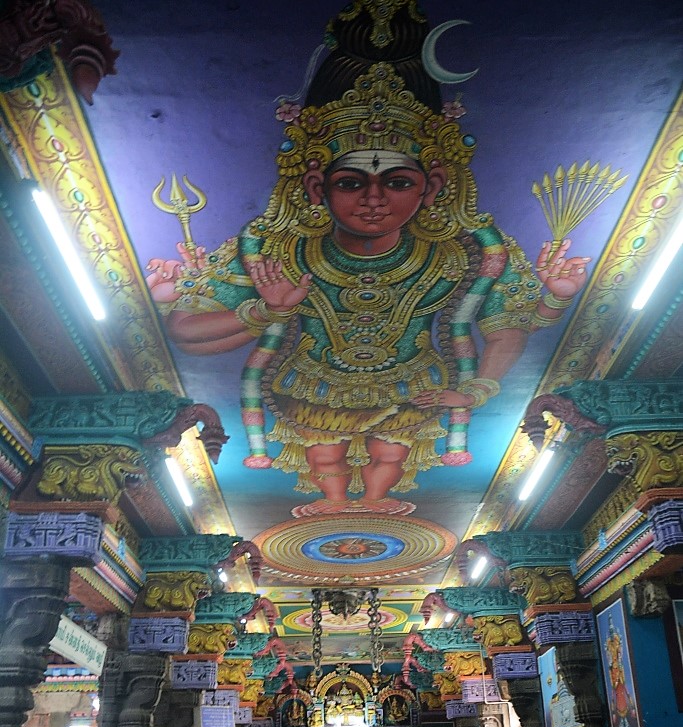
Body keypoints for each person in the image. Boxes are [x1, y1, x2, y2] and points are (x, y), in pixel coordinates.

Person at [146, 7, 588, 517]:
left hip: (415, 382)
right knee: (324, 455)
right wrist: (268, 312)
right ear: (317, 186)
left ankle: (376, 501)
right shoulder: (277, 251)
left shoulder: (462, 252)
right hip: (311, 380)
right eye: (351, 183)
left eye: (397, 182)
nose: (374, 199)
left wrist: (486, 378)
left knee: (391, 454)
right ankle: (335, 504)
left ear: (431, 187)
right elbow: (186, 333)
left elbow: (509, 326)